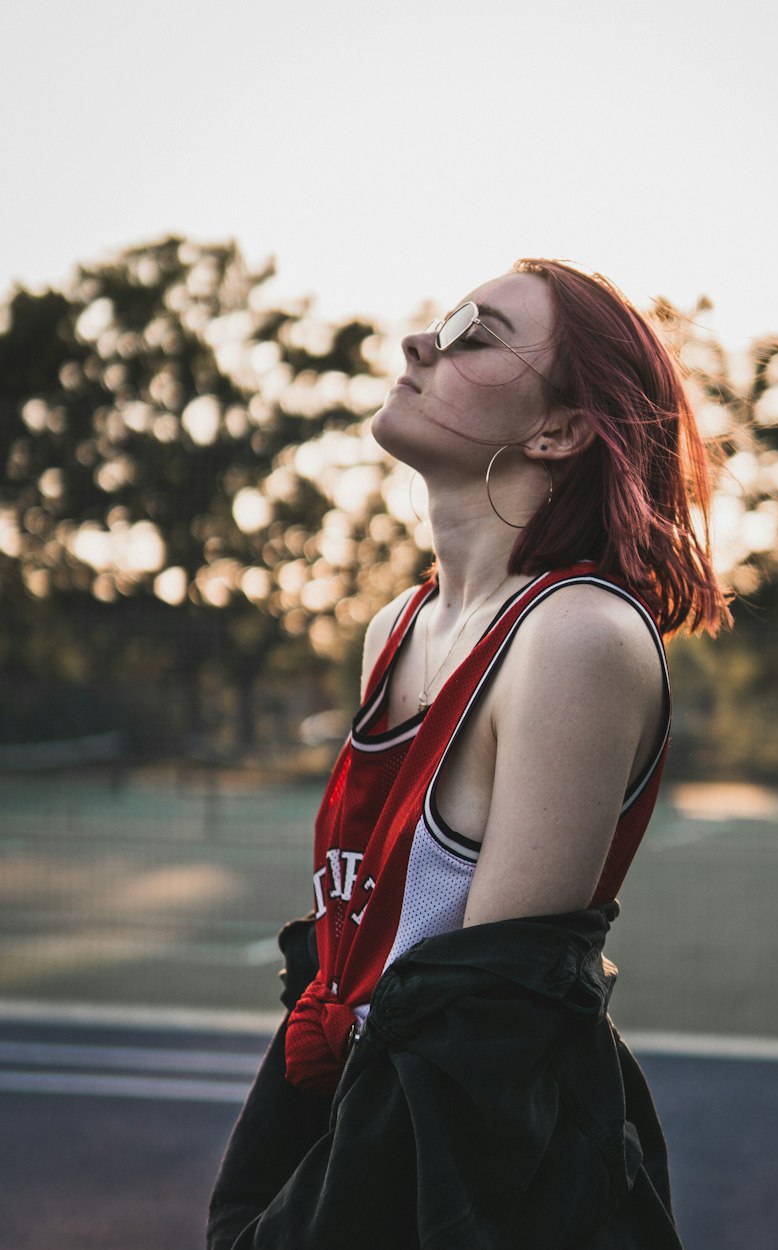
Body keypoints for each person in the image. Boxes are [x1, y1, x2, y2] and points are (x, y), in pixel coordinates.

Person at [207, 259, 730, 1249]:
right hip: (366, 1125)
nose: (419, 343)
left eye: (474, 334)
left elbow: (482, 1029)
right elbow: (360, 950)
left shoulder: (575, 633)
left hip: (474, 1181)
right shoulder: (396, 627)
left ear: (560, 428)